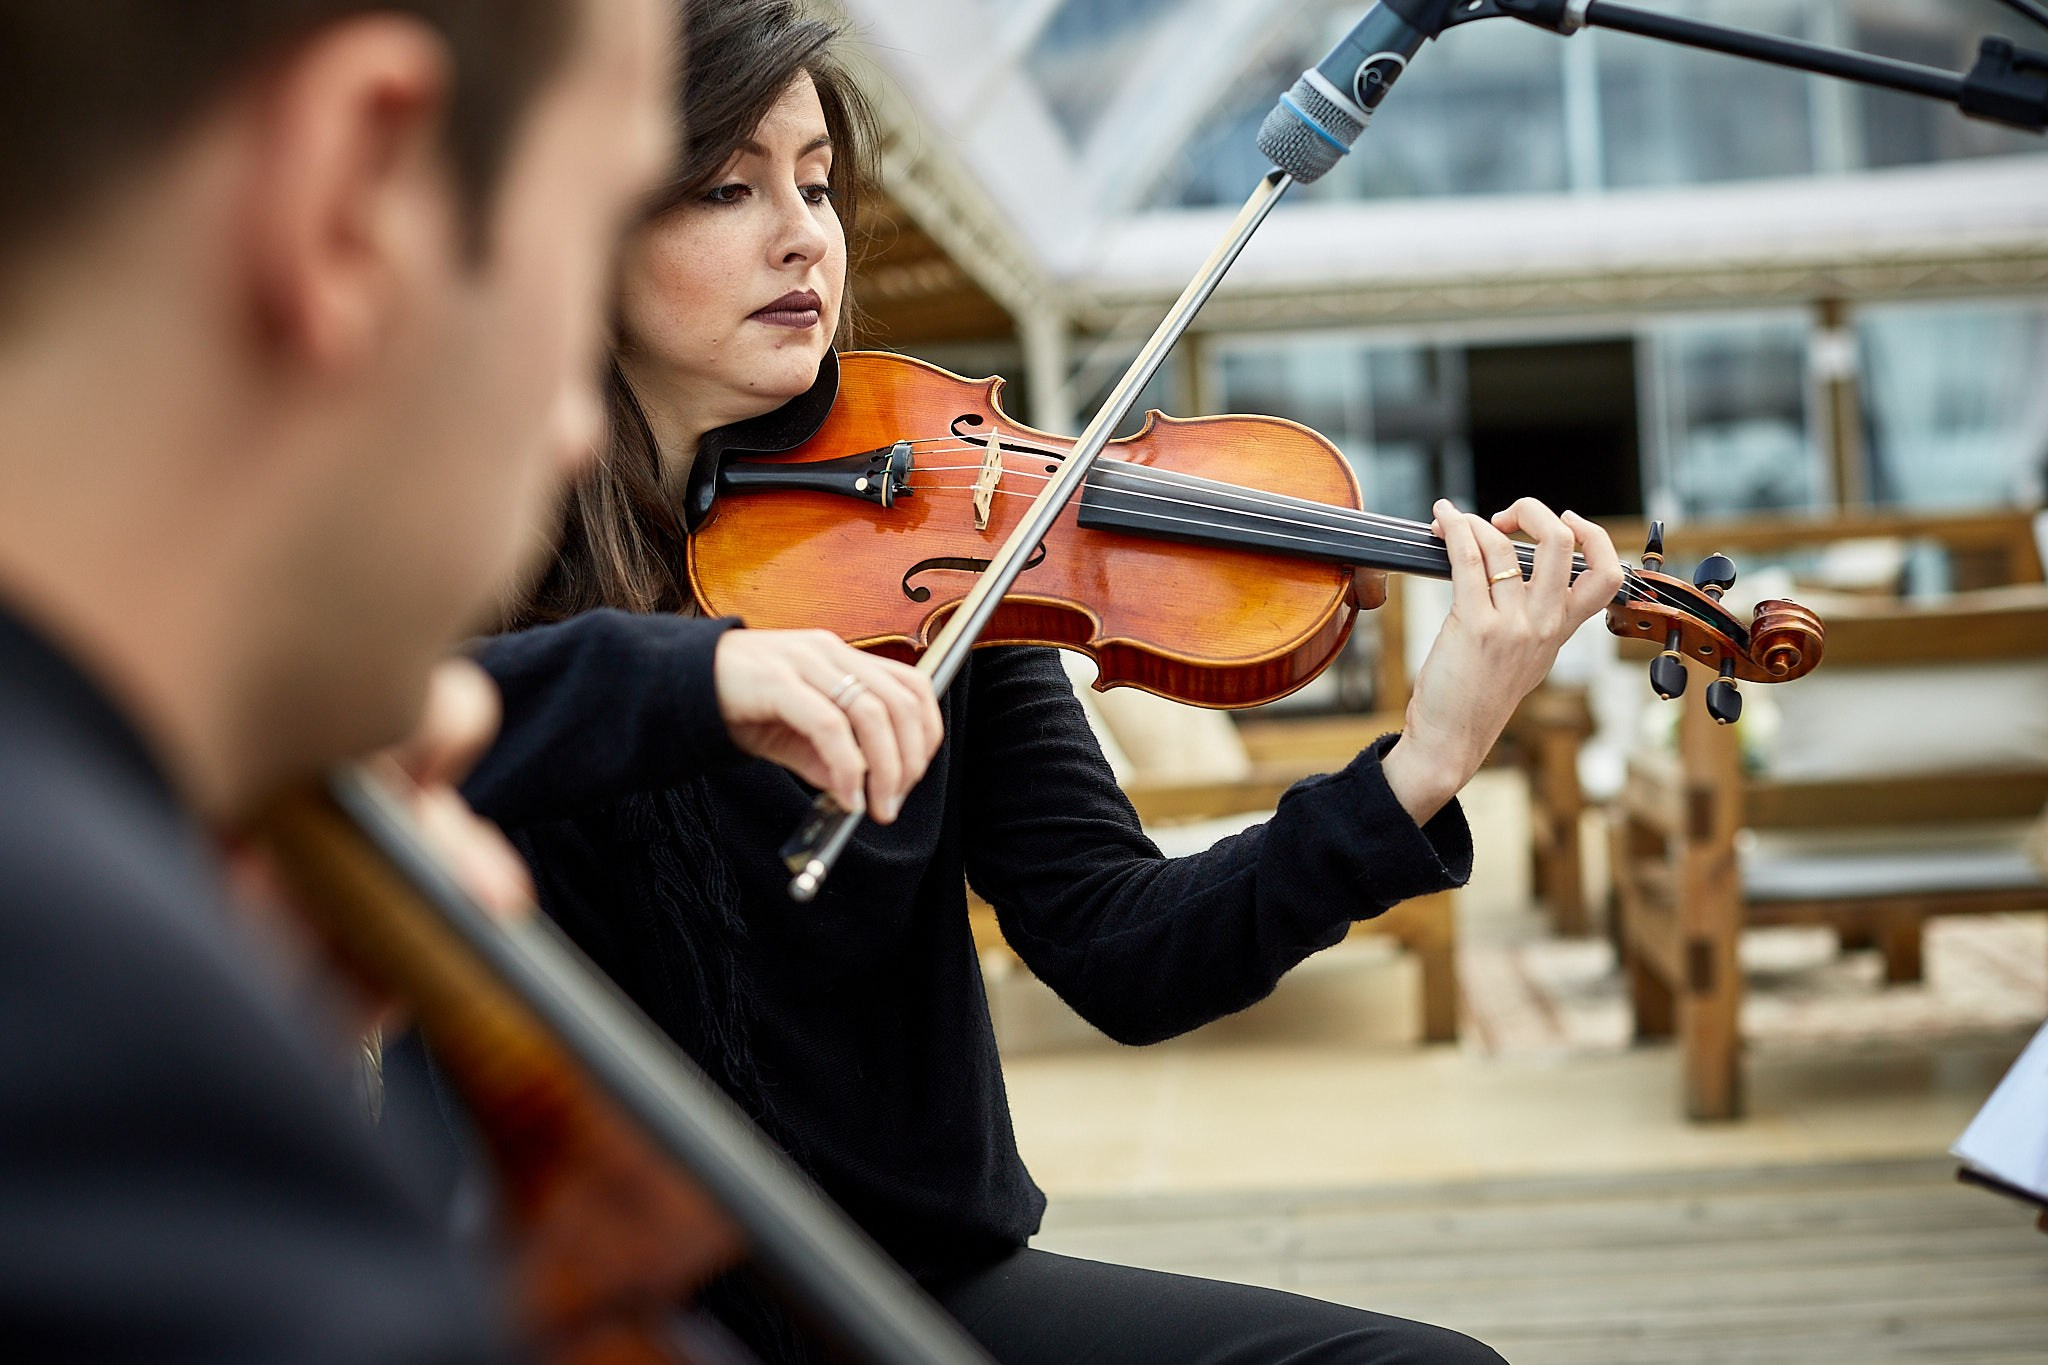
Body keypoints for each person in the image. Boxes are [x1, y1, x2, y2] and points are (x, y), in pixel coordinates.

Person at [461, 2, 1626, 1362]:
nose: (804, 236)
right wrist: (695, 675)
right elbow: (357, 735)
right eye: (729, 188)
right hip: (568, 1308)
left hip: (903, 1291)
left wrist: (1421, 766)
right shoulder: (470, 541)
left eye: (819, 187)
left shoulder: (947, 548)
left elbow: (1125, 950)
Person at [0, 0, 939, 1356]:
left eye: (816, 187)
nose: (575, 427)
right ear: (349, 198)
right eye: (589, 216)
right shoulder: (113, 1092)